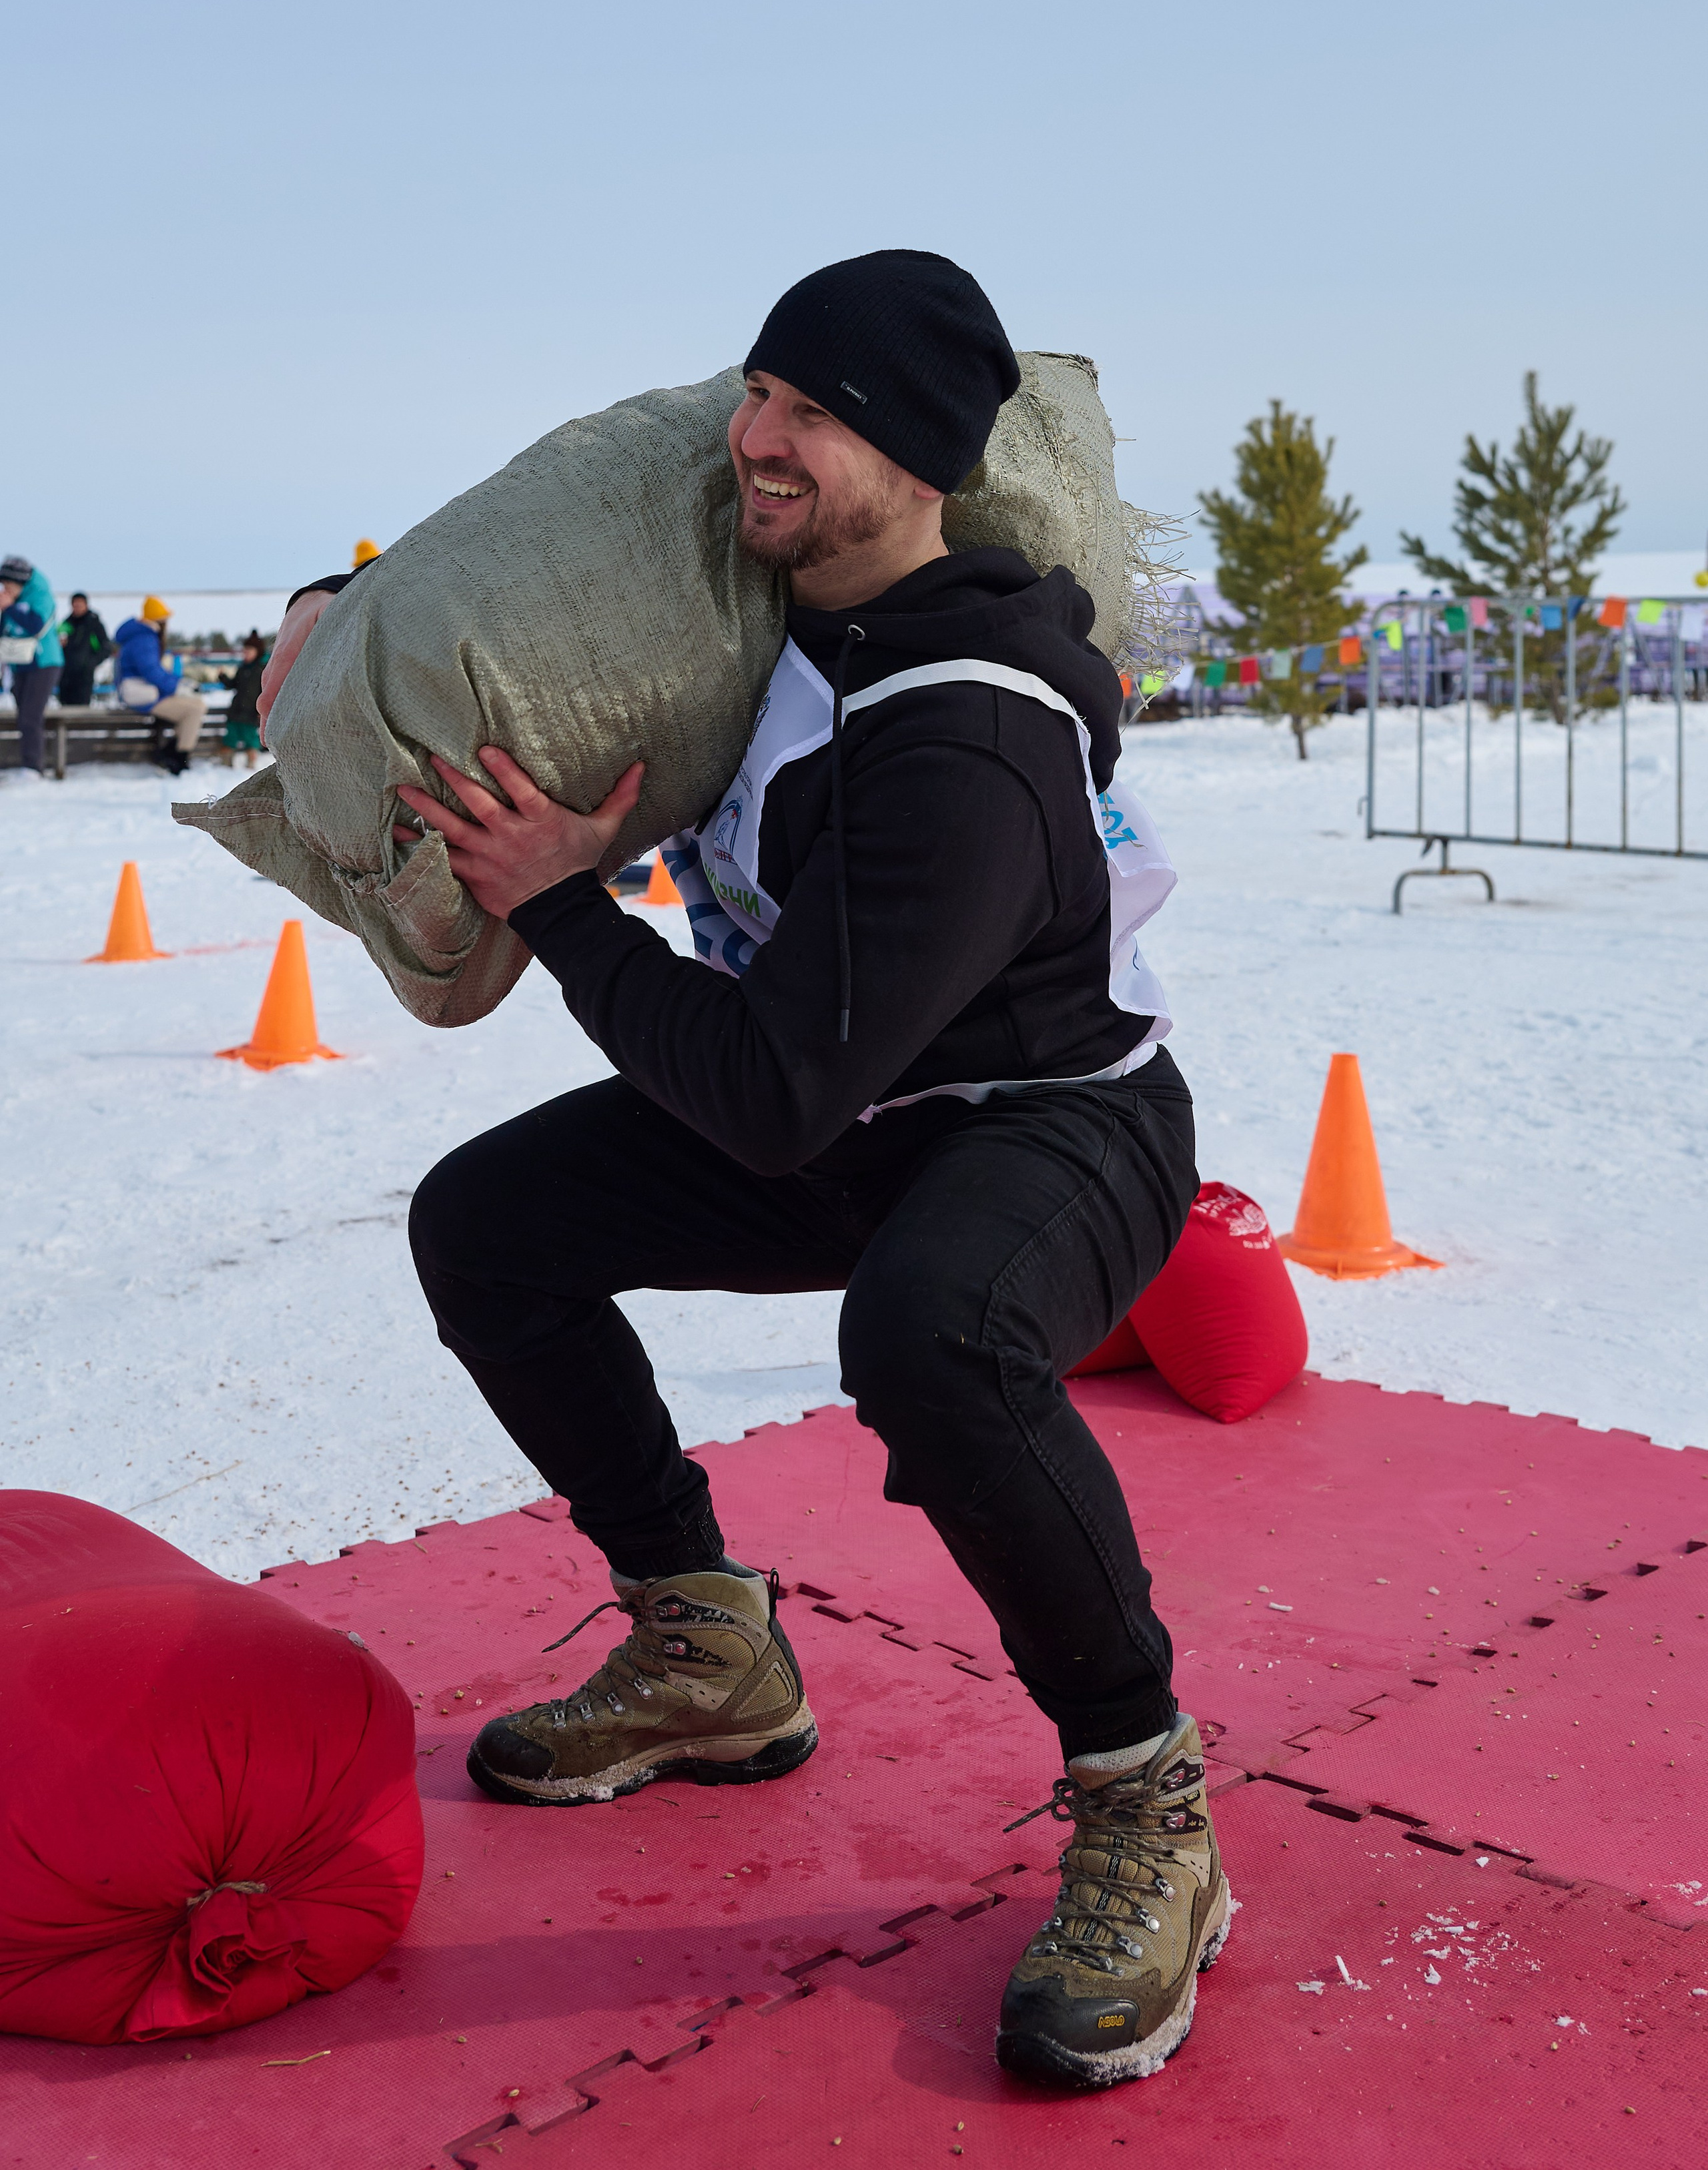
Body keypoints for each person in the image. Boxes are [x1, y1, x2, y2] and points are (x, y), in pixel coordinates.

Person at [271, 252, 1226, 2094]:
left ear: (923, 458)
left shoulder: (971, 721)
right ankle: (707, 1646)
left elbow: (775, 1096)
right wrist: (348, 615)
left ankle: (1146, 1803)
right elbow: (544, 598)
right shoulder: (755, 600)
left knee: (934, 1333)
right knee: (491, 1226)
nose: (759, 441)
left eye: (817, 415)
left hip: (1052, 1125)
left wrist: (555, 902)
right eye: (762, 394)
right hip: (859, 1105)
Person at [112, 597, 206, 775]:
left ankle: (172, 753)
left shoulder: (139, 636)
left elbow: (153, 671)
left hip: (144, 692)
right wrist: (177, 687)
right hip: (144, 695)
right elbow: (151, 671)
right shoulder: (145, 639)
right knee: (195, 710)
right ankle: (178, 758)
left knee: (196, 707)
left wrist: (178, 684)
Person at [0, 556, 65, 781]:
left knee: (31, 715)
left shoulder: (41, 595)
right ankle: (29, 764)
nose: (5, 589)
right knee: (23, 713)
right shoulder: (12, 598)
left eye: (8, 585)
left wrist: (10, 607)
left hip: (43, 663)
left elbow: (35, 625)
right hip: (20, 663)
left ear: (19, 581)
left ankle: (33, 768)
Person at [221, 631, 268, 767]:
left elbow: (265, 691)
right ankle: (226, 764)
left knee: (251, 740)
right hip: (236, 711)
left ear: (257, 652)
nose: (245, 653)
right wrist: (223, 677)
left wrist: (262, 709)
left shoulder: (262, 670)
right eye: (244, 650)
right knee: (230, 738)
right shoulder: (242, 668)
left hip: (251, 712)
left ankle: (250, 766)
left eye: (249, 650)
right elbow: (234, 684)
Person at [55, 594, 111, 708]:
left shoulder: (94, 624)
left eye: (80, 604)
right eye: (75, 605)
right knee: (65, 709)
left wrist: (91, 663)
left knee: (82, 709)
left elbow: (106, 647)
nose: (78, 607)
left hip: (84, 676)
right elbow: (57, 645)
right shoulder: (66, 624)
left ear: (86, 605)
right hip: (66, 676)